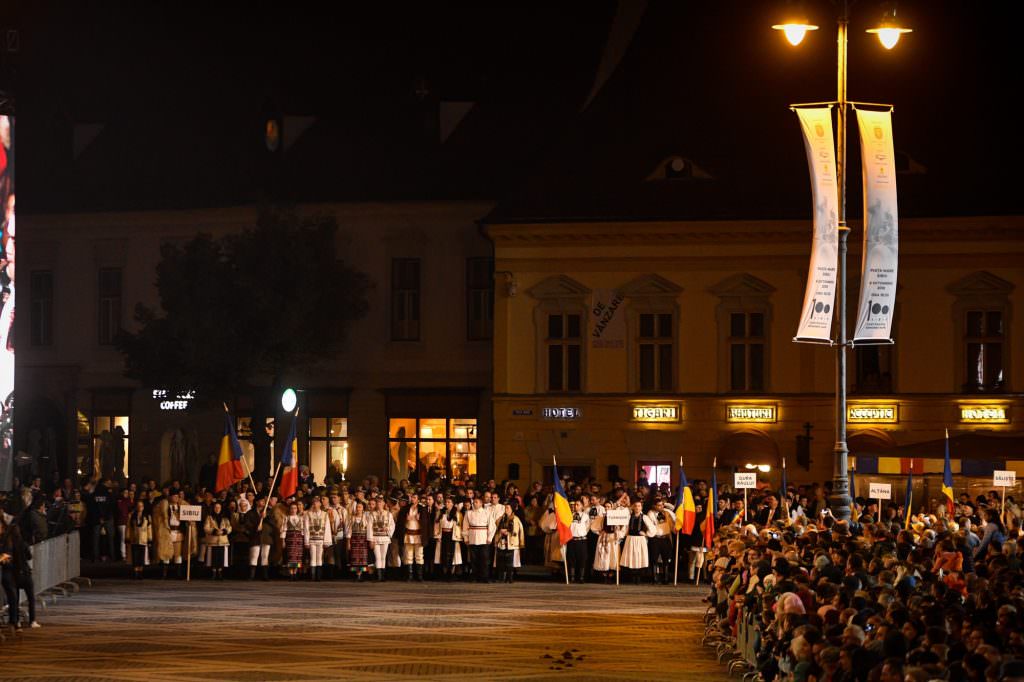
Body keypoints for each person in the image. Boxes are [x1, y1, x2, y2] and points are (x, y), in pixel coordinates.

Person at [0, 517, 38, 628]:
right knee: (30, 597)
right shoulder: (23, 544)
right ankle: (32, 620)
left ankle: (15, 621)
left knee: (14, 599)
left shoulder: (7, 545)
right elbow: (29, 556)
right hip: (25, 573)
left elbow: (8, 560)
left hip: (14, 574)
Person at [620, 499, 655, 584]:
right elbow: (625, 528)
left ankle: (638, 577)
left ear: (641, 507)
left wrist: (646, 534)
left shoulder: (644, 517)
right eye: (635, 506)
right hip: (630, 539)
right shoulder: (629, 517)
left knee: (639, 557)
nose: (637, 508)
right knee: (631, 557)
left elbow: (652, 528)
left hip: (640, 540)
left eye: (639, 506)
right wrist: (621, 535)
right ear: (633, 507)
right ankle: (632, 577)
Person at [463, 496, 495, 583]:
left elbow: (492, 526)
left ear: (481, 503)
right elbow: (465, 526)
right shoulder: (468, 513)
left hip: (483, 538)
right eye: (474, 502)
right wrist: (466, 538)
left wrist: (489, 537)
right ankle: (474, 576)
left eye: (477, 502)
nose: (475, 503)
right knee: (473, 559)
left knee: (484, 559)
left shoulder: (487, 512)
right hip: (472, 538)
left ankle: (484, 577)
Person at [645, 497, 675, 585]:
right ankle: (654, 577)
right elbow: (654, 523)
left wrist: (665, 506)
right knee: (654, 559)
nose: (661, 507)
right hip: (656, 538)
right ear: (654, 506)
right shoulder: (651, 513)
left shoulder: (667, 512)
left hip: (665, 538)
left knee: (666, 559)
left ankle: (665, 578)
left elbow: (673, 509)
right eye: (658, 505)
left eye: (662, 505)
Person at [493, 503, 525, 583]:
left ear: (511, 509)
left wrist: (508, 532)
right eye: (505, 508)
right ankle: (501, 578)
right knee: (500, 561)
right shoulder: (500, 519)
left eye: (507, 508)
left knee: (509, 562)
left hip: (511, 543)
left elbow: (518, 531)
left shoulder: (515, 519)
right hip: (501, 542)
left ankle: (509, 578)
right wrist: (500, 532)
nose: (506, 509)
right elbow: (496, 528)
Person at [302, 496, 332, 581]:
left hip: (321, 539)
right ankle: (312, 575)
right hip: (312, 539)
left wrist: (326, 541)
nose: (315, 504)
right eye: (314, 502)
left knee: (319, 557)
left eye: (317, 502)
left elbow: (327, 528)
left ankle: (318, 576)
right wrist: (306, 541)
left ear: (320, 504)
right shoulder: (308, 514)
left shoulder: (324, 514)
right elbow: (306, 528)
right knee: (312, 557)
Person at [434, 497, 463, 580]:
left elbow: (460, 526)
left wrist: (458, 536)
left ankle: (451, 573)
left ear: (452, 504)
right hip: (443, 535)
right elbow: (436, 524)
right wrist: (437, 535)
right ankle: (444, 573)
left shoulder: (457, 514)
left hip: (452, 535)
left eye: (449, 502)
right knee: (443, 554)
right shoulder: (441, 512)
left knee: (452, 555)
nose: (447, 503)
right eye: (446, 502)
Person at [367, 497, 395, 581]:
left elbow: (392, 525)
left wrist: (388, 530)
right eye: (378, 502)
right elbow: (369, 527)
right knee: (378, 557)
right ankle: (379, 576)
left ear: (383, 504)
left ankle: (382, 575)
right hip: (375, 537)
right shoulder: (372, 514)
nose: (379, 504)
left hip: (385, 537)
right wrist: (370, 539)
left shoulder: (388, 514)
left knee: (383, 556)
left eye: (380, 502)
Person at [203, 501, 231, 580]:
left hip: (222, 540)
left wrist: (224, 531)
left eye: (219, 507)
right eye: (216, 507)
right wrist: (214, 531)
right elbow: (206, 528)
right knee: (213, 557)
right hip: (213, 541)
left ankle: (220, 572)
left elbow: (229, 527)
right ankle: (213, 573)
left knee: (221, 558)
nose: (217, 509)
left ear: (221, 508)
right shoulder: (209, 517)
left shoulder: (225, 518)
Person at [566, 500, 591, 583]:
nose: (576, 506)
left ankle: (581, 577)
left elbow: (587, 526)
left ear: (582, 506)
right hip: (572, 540)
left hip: (581, 540)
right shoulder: (570, 515)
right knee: (572, 558)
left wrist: (582, 534)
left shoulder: (585, 516)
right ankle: (572, 577)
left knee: (582, 558)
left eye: (578, 504)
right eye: (575, 504)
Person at [126, 499, 151, 579]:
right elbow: (128, 527)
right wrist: (127, 537)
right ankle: (135, 572)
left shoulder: (147, 516)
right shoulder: (132, 516)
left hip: (143, 539)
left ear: (143, 507)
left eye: (141, 506)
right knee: (135, 556)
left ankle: (140, 572)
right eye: (138, 506)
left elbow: (149, 528)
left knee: (141, 556)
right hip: (134, 538)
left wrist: (150, 538)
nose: (140, 507)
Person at [346, 500, 370, 581]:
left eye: (360, 507)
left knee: (363, 558)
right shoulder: (352, 518)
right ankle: (357, 575)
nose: (358, 509)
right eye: (357, 507)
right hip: (355, 540)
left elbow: (369, 530)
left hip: (363, 540)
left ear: (363, 508)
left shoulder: (366, 518)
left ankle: (362, 574)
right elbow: (349, 531)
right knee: (355, 558)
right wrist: (348, 542)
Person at [281, 502, 303, 580]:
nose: (293, 510)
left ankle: (295, 573)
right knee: (290, 556)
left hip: (298, 539)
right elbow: (283, 529)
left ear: (297, 509)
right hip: (290, 538)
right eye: (292, 508)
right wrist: (283, 540)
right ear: (289, 509)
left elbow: (303, 530)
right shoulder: (286, 518)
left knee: (297, 556)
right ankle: (291, 574)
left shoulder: (300, 518)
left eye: (295, 508)